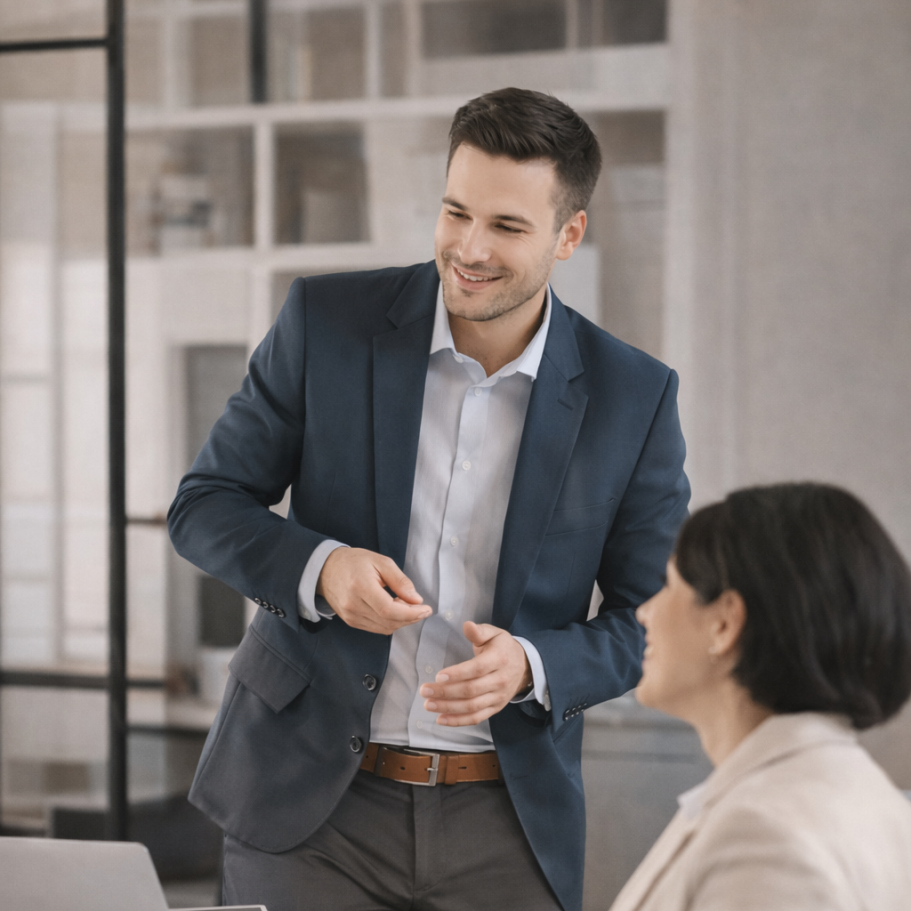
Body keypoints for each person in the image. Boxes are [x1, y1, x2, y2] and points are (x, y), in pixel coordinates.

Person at [168, 87, 689, 911]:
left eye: (507, 226)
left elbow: (650, 620)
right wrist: (322, 568)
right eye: (455, 212)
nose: (469, 248)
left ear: (568, 235)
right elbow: (204, 504)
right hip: (307, 809)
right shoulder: (325, 323)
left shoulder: (633, 397)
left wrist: (534, 665)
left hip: (505, 822)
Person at [609, 482, 911, 911]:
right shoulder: (871, 800)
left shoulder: (764, 835)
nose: (644, 612)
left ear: (724, 623)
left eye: (668, 585)